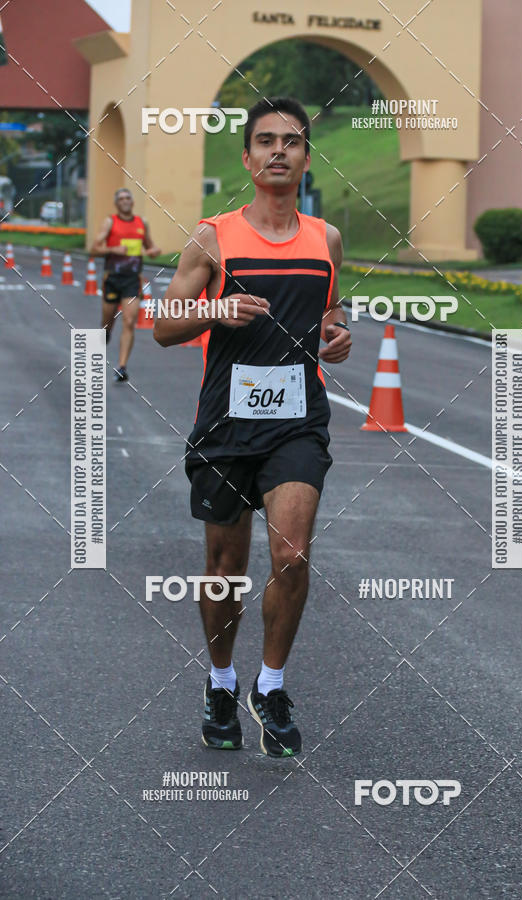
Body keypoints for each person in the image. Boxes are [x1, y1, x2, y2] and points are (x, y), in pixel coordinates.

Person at [155, 96, 352, 758]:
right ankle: (219, 683)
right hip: (225, 425)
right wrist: (217, 309)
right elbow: (162, 326)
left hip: (298, 421)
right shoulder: (213, 236)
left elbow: (328, 310)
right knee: (224, 567)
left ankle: (270, 687)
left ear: (304, 158)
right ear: (247, 158)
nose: (277, 150)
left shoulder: (325, 238)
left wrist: (337, 333)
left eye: (290, 141)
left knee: (291, 555)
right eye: (265, 140)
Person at [91, 188, 161, 382]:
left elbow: (150, 246)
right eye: (121, 198)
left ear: (132, 201)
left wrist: (154, 250)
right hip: (112, 278)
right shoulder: (110, 222)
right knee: (107, 321)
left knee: (129, 321)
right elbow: (94, 248)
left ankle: (122, 367)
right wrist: (114, 248)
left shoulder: (141, 223)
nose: (125, 201)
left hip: (132, 279)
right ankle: (105, 333)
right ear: (116, 203)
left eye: (127, 198)